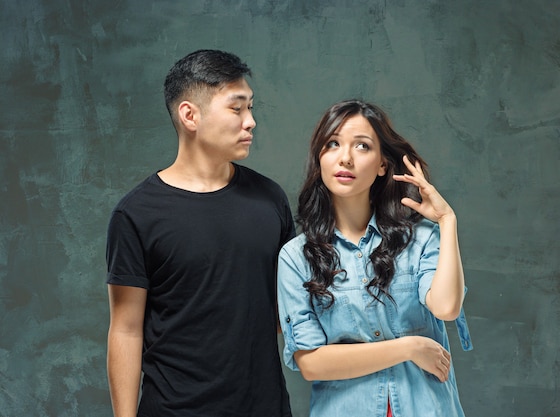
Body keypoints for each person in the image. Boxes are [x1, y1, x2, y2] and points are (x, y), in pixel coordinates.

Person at [106, 49, 294, 417]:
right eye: (237, 108)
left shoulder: (270, 199)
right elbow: (126, 330)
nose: (251, 121)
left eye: (251, 107)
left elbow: (288, 311)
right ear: (190, 115)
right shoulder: (136, 214)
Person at [277, 99, 473, 417]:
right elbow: (310, 363)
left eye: (362, 146)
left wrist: (447, 220)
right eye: (333, 144)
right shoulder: (297, 257)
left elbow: (447, 307)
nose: (345, 158)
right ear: (320, 157)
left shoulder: (419, 238)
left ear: (383, 164)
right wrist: (408, 348)